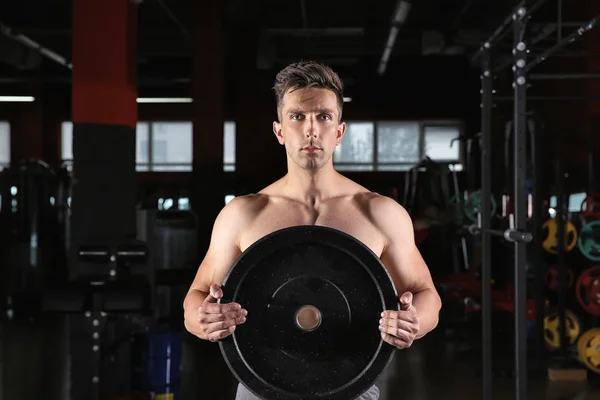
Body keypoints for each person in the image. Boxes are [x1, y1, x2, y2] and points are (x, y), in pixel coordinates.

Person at [183, 61, 442, 400]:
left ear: (339, 131)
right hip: (262, 388)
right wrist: (205, 320)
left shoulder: (380, 213)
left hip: (351, 386)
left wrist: (414, 321)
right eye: (297, 117)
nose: (311, 129)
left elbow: (427, 296)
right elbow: (195, 300)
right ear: (279, 131)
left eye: (323, 117)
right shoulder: (243, 214)